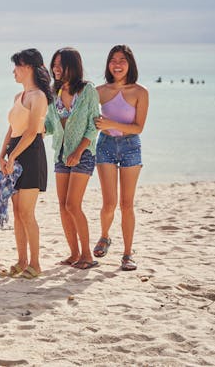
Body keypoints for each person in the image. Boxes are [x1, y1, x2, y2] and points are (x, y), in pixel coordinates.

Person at [93, 45, 149, 271]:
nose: (117, 64)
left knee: (127, 204)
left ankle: (127, 254)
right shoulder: (98, 91)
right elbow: (78, 109)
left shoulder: (140, 92)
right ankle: (105, 236)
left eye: (122, 60)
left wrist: (110, 123)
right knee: (109, 203)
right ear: (108, 64)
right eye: (113, 60)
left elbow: (139, 127)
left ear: (130, 64)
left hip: (130, 146)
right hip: (105, 145)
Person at [0, 49, 51, 279]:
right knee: (17, 212)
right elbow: (12, 128)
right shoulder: (18, 97)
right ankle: (21, 261)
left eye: (17, 66)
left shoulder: (38, 96)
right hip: (15, 152)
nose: (14, 71)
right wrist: (2, 154)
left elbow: (30, 132)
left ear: (27, 67)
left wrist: (13, 157)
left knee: (27, 212)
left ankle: (35, 264)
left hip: (31, 153)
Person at [45, 47, 100, 270]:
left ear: (72, 66)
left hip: (83, 153)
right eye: (54, 64)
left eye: (60, 64)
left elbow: (93, 126)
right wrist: (34, 128)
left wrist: (78, 152)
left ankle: (87, 255)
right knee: (62, 206)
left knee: (72, 204)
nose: (56, 68)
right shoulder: (53, 92)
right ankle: (74, 253)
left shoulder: (87, 91)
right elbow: (50, 125)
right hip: (60, 153)